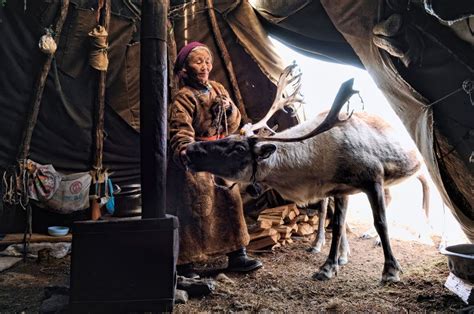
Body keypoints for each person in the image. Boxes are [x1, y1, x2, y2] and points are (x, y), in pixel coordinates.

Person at [166, 41, 262, 278]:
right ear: (186, 68)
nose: (205, 66)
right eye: (198, 62)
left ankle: (237, 254)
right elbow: (180, 129)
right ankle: (186, 263)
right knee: (195, 207)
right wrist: (186, 151)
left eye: (207, 61)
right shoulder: (184, 97)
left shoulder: (218, 89)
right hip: (198, 158)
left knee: (231, 201)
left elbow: (234, 124)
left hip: (221, 156)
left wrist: (229, 110)